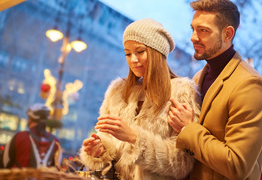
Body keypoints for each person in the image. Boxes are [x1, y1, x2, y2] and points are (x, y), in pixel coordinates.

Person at [79, 18, 201, 179]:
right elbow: (107, 140)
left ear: (158, 52)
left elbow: (181, 163)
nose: (133, 60)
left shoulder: (181, 92)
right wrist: (99, 149)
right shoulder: (117, 91)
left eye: (140, 51)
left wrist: (134, 138)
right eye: (128, 54)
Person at [167, 0, 262, 180]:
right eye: (193, 29)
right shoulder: (199, 77)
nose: (193, 37)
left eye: (203, 31)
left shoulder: (250, 85)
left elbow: (237, 165)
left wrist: (187, 129)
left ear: (227, 34)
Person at [2, 103, 62, 168]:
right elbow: (57, 167)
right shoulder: (55, 141)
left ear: (30, 119)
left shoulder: (20, 136)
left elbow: (4, 162)